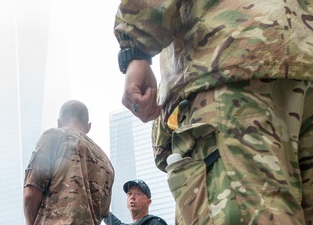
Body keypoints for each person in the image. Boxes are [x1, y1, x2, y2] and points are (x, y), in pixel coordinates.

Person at [113, 1, 313, 225]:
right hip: (302, 54)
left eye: (137, 193)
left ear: (148, 199)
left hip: (231, 60)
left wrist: (134, 49)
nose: (132, 197)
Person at [23, 100, 115, 225]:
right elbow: (103, 212)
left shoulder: (54, 137)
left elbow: (31, 193)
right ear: (88, 127)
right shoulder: (106, 163)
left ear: (59, 123)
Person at [104, 179, 168, 225]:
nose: (132, 197)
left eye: (138, 193)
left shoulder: (155, 223)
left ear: (149, 202)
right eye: (129, 194)